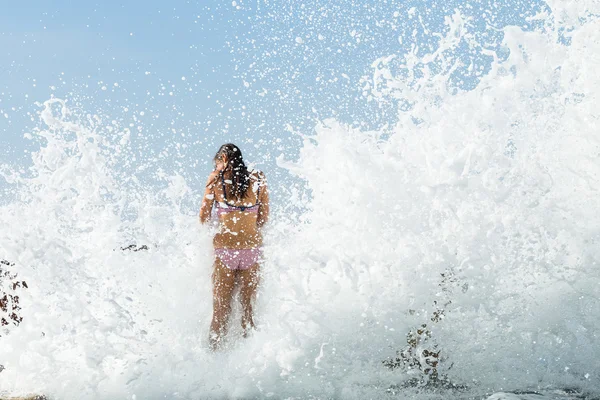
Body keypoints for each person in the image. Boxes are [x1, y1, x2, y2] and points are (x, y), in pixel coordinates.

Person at [199, 143, 269, 350]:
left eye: (218, 162)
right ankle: (251, 361)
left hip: (225, 251)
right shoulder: (258, 178)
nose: (217, 166)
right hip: (252, 251)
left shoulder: (215, 179)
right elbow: (263, 218)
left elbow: (203, 216)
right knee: (248, 311)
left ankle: (213, 356)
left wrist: (222, 220)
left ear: (224, 159)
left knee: (220, 311)